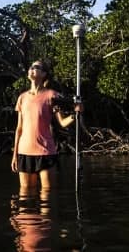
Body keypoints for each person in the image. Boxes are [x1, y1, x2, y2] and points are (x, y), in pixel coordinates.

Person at [11, 59, 81, 192]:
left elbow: (62, 123)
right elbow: (19, 128)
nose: (31, 68)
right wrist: (14, 155)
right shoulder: (22, 97)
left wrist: (75, 114)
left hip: (45, 152)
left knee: (47, 194)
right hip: (24, 152)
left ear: (44, 74)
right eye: (30, 66)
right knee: (25, 196)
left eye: (36, 67)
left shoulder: (52, 95)